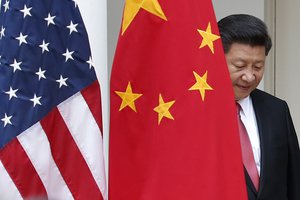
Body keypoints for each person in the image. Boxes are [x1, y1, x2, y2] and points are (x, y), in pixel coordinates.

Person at [218, 14, 300, 200]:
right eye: (240, 66)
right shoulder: (196, 112)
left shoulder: (277, 110)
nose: (249, 76)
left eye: (257, 67)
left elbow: (294, 181)